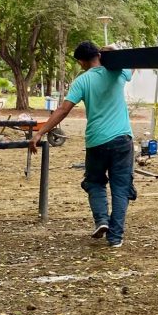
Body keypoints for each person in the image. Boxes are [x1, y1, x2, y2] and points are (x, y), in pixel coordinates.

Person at [31, 41, 135, 248]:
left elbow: (63, 110)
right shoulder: (116, 72)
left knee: (94, 182)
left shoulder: (82, 81)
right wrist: (114, 51)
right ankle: (115, 238)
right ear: (98, 54)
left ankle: (101, 220)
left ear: (81, 61)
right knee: (121, 188)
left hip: (96, 141)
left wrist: (40, 132)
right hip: (122, 139)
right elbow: (132, 64)